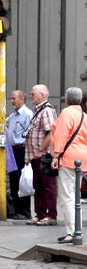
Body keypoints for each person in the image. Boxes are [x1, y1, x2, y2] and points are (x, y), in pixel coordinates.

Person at [48, 87, 87, 244]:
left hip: (69, 158)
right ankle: (76, 230)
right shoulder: (84, 116)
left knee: (67, 196)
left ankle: (72, 232)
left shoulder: (66, 114)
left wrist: (55, 156)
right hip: (82, 158)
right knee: (76, 195)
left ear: (66, 100)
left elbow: (61, 135)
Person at [25, 84, 58, 225]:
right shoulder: (38, 111)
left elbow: (51, 133)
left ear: (42, 95)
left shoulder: (47, 111)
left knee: (47, 186)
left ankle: (50, 215)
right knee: (38, 186)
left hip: (43, 156)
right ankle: (40, 214)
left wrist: (40, 150)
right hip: (35, 156)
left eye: (33, 94)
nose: (30, 96)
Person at [6, 89, 34, 219]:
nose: (12, 101)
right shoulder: (13, 116)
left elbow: (29, 134)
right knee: (13, 180)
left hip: (21, 150)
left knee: (22, 181)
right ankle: (16, 210)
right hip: (13, 150)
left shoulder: (27, 114)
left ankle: (24, 211)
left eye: (14, 98)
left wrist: (28, 154)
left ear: (22, 99)